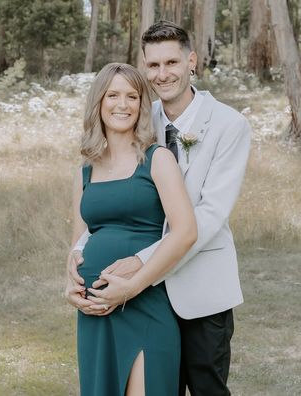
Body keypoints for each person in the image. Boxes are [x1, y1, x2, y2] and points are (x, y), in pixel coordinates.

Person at [67, 21, 251, 396]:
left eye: (172, 63)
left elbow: (210, 215)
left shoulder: (229, 125)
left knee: (205, 389)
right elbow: (113, 201)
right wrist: (76, 254)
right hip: (136, 294)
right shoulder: (136, 114)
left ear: (192, 62)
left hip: (197, 288)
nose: (163, 74)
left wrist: (140, 262)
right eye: (153, 66)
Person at [67, 62, 197, 396]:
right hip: (96, 310)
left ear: (142, 105)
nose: (122, 104)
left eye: (132, 96)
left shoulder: (158, 159)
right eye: (113, 95)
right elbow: (80, 242)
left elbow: (185, 232)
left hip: (145, 302)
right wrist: (70, 285)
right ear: (99, 102)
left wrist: (131, 287)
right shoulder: (85, 169)